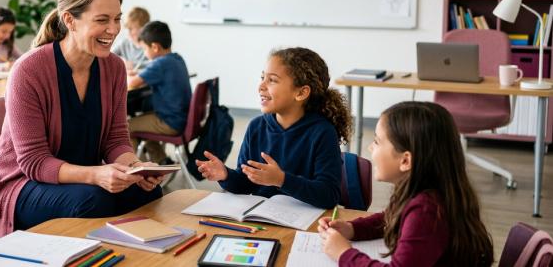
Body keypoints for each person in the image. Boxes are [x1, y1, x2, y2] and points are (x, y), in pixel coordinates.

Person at [0, 0, 164, 237]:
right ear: (70, 20)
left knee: (146, 192)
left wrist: (135, 168)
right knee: (93, 200)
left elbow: (115, 139)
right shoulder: (29, 70)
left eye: (116, 19)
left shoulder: (113, 68)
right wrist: (96, 175)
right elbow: (34, 162)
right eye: (102, 20)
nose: (113, 30)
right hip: (21, 184)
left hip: (81, 180)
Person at [318, 101, 494, 266]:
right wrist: (352, 229)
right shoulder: (427, 190)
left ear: (405, 161)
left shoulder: (426, 211)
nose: (371, 148)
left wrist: (343, 254)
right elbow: (388, 218)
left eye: (377, 141)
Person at [196, 47, 349, 209]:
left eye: (272, 80)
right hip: (264, 219)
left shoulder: (322, 133)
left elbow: (328, 196)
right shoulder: (256, 127)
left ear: (301, 93)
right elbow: (244, 184)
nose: (261, 86)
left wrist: (281, 180)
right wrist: (225, 175)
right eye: (262, 78)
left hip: (307, 223)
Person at [126, 21, 191, 163]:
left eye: (144, 49)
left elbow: (131, 83)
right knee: (143, 120)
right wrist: (138, 72)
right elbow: (152, 74)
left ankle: (134, 169)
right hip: (180, 118)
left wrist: (131, 75)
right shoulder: (176, 59)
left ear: (154, 47)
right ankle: (161, 160)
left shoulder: (160, 64)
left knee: (125, 127)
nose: (144, 53)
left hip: (169, 122)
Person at [111, 6, 150, 74]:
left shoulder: (150, 45)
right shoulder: (124, 43)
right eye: (128, 28)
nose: (129, 32)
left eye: (131, 29)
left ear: (143, 28)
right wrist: (122, 62)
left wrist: (133, 65)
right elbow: (108, 56)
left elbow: (158, 63)